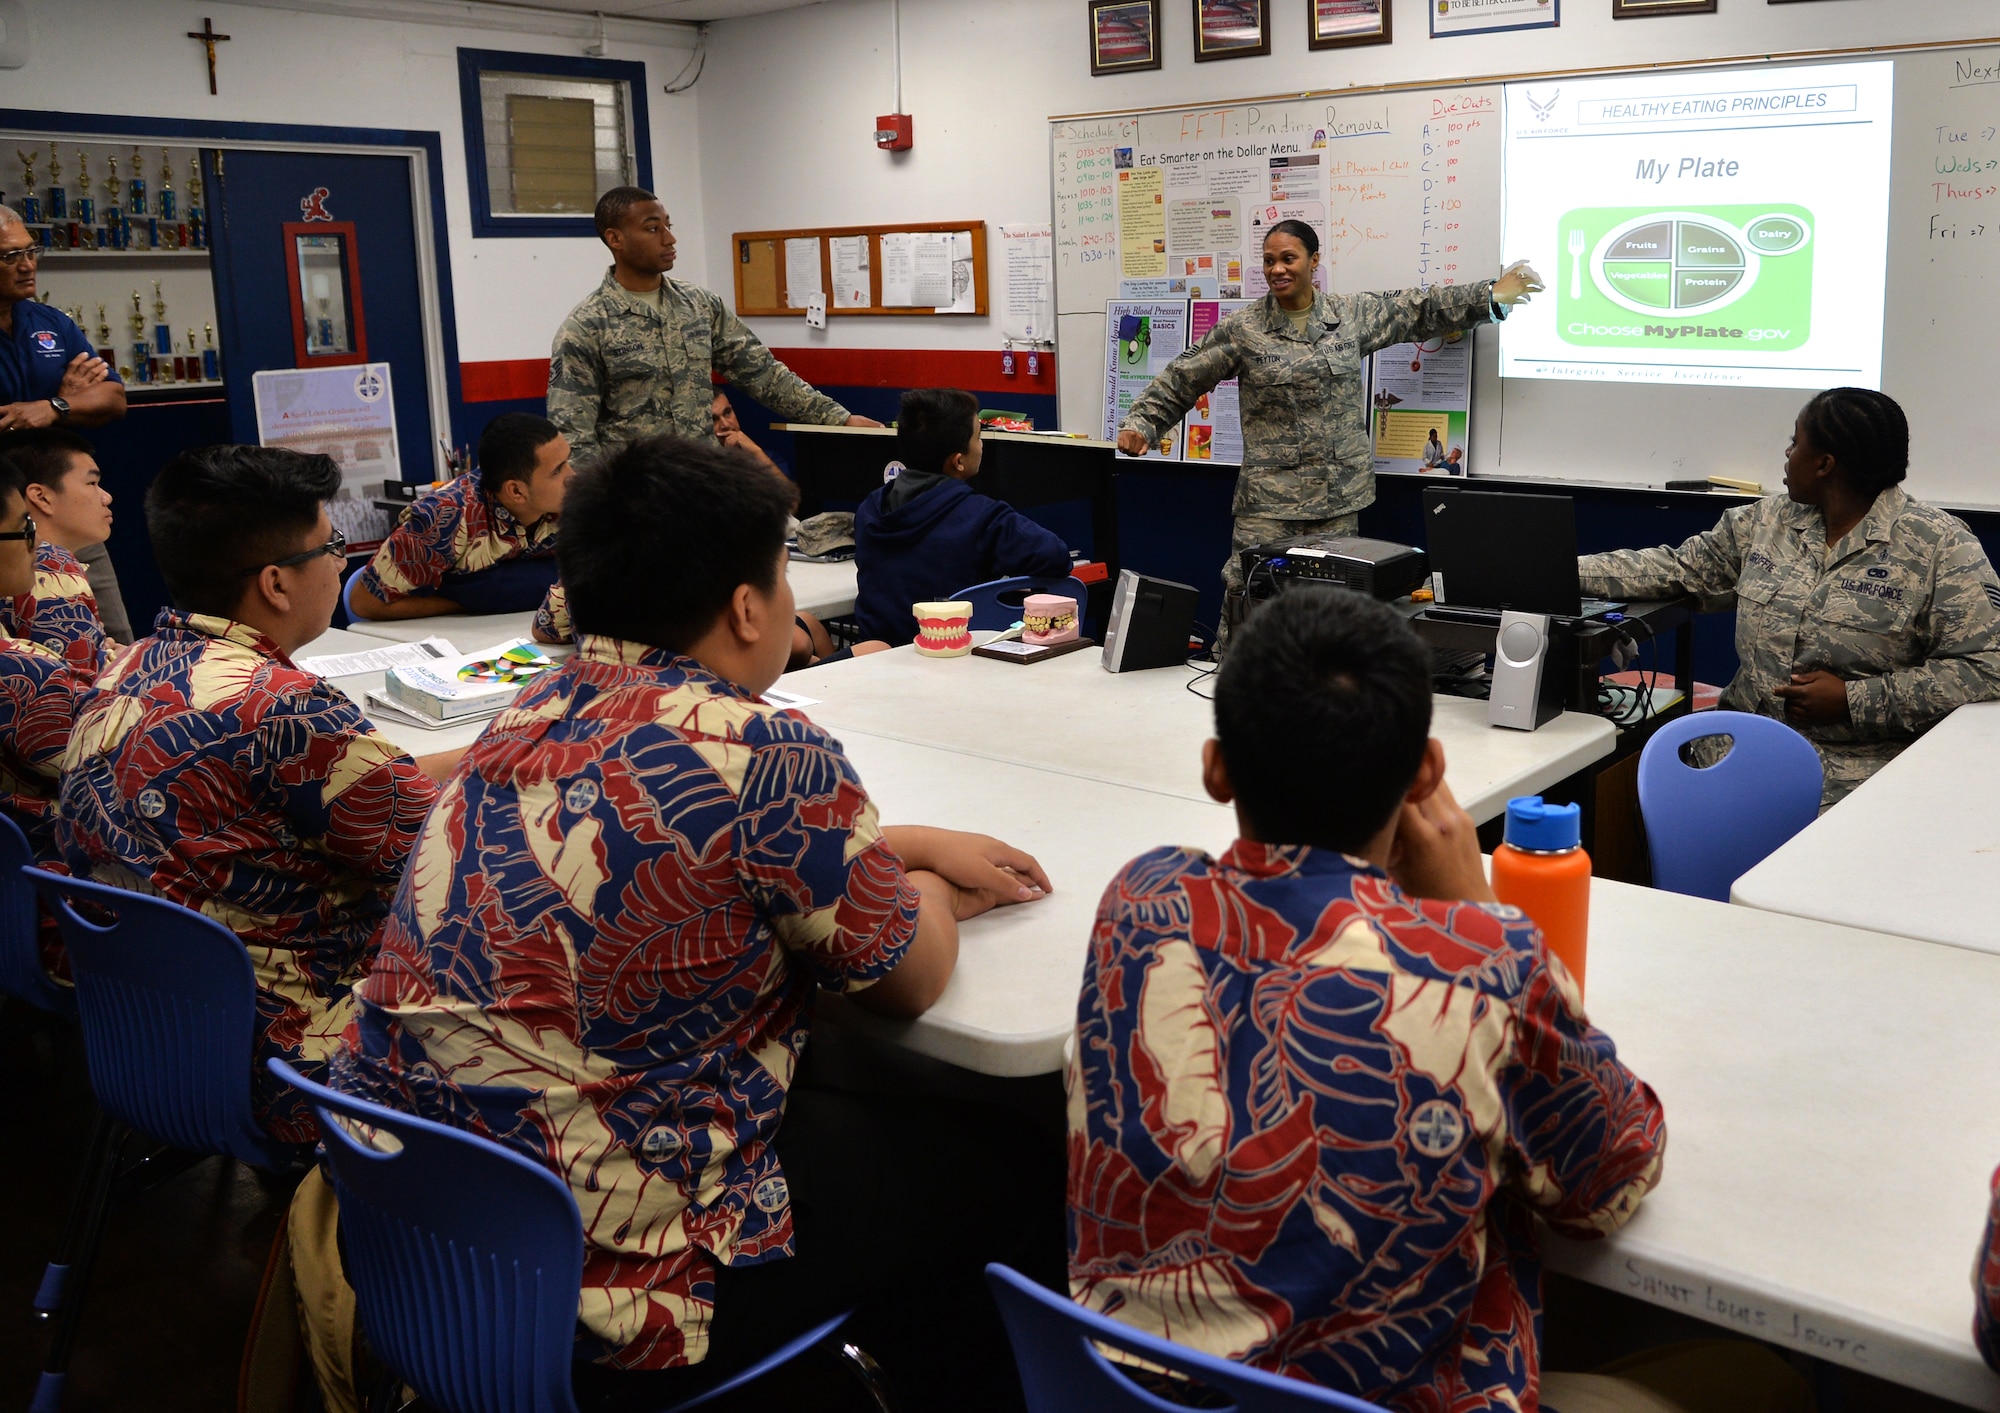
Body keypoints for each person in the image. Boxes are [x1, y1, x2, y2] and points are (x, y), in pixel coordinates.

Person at [330, 434, 1065, 1411]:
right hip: (612, 1293)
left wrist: (903, 843)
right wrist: (924, 882)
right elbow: (909, 977)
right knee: (1017, 1153)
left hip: (428, 1242)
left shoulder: (521, 717)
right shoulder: (767, 752)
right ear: (751, 603)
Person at [1070, 589, 1817, 1412]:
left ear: (1216, 769)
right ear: (1428, 773)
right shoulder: (1482, 963)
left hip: (1132, 1393)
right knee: (1767, 1382)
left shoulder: (1141, 902)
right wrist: (1475, 913)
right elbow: (1611, 1178)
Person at [57, 445, 459, 1145]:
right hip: (295, 1060)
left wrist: (480, 756)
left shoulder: (123, 671)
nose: (340, 562)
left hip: (153, 1041)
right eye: (331, 545)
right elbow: (455, 858)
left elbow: (353, 787)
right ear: (276, 582)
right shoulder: (286, 709)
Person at [1115, 221, 1541, 640]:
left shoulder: (1348, 315)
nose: (1277, 269)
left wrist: (1488, 295)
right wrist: (1142, 423)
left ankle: (1322, 693)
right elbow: (1183, 377)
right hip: (1269, 502)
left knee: (1331, 608)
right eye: (1268, 261)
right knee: (1249, 598)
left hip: (1337, 501)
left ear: (1313, 260)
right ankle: (1236, 683)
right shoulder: (1243, 329)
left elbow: (1420, 309)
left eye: (1288, 258)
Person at [1579, 387, 2000, 810]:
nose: (1786, 452)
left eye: (1795, 442)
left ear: (1824, 465)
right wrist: (1563, 568)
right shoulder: (1767, 522)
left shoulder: (1939, 547)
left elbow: (1987, 669)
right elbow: (1676, 569)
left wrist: (1854, 701)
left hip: (1858, 781)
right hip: (1737, 753)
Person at [546, 186, 882, 470]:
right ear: (615, 238)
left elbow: (763, 374)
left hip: (701, 486)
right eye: (652, 229)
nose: (669, 238)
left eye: (668, 225)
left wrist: (837, 418)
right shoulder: (587, 327)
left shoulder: (699, 306)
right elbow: (572, 434)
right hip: (635, 501)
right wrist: (596, 510)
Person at [850, 387, 1072, 647]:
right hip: (953, 659)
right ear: (958, 462)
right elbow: (1056, 556)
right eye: (978, 437)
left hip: (875, 663)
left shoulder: (869, 510)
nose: (982, 445)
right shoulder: (984, 517)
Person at [348, 412, 571, 619]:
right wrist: (469, 603)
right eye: (557, 470)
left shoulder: (578, 500)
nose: (573, 476)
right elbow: (364, 603)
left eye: (568, 461)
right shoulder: (444, 519)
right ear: (516, 491)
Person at [0, 450, 95, 867]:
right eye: (23, 529)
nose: (36, 542)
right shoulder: (23, 672)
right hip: (54, 882)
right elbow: (121, 770)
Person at [0, 205, 126, 432]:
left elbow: (114, 397)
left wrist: (56, 407)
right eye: (11, 257)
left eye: (31, 252)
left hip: (56, 463)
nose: (28, 266)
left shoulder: (51, 322)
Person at [0, 428, 115, 673]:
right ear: (41, 497)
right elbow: (89, 689)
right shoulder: (52, 561)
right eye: (92, 483)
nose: (106, 497)